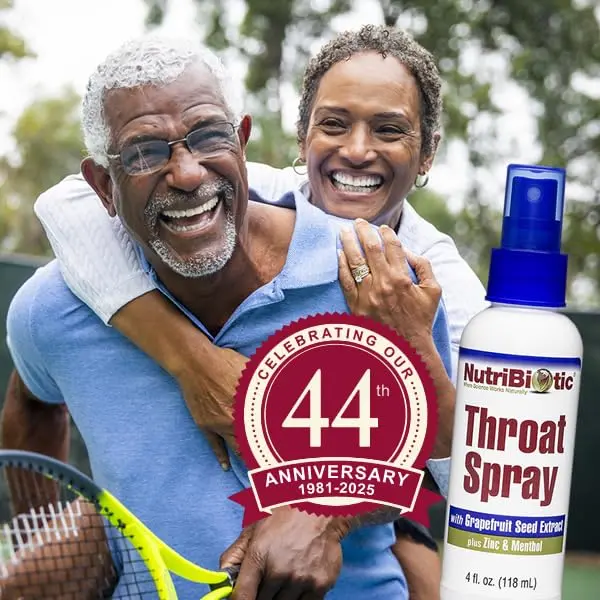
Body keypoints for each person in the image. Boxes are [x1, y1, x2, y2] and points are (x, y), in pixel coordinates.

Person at [32, 25, 488, 598]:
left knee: (425, 574)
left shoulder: (438, 283)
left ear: (427, 153)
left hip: (410, 506)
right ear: (301, 137)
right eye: (334, 124)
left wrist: (327, 513)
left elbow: (460, 462)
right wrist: (192, 360)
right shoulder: (237, 185)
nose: (356, 150)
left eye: (389, 129)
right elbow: (64, 203)